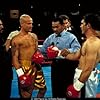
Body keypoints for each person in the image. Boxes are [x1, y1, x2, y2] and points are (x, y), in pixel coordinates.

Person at [60, 13, 100, 98]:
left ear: (88, 25)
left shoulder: (92, 43)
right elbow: (75, 56)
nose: (80, 26)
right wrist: (59, 53)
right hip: (82, 77)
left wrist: (76, 87)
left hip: (85, 78)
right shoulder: (87, 41)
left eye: (82, 23)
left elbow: (88, 69)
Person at [39, 16, 81, 97]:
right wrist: (43, 55)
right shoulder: (51, 37)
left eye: (57, 27)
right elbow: (42, 50)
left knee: (68, 90)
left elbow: (78, 49)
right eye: (53, 27)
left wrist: (69, 51)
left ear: (62, 25)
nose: (54, 29)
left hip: (68, 65)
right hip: (56, 66)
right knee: (56, 89)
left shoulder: (71, 37)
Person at [11, 14, 47, 99]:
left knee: (43, 89)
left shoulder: (34, 36)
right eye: (28, 23)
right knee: (26, 94)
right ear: (22, 24)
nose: (31, 26)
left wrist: (39, 56)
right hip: (24, 67)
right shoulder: (16, 40)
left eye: (31, 23)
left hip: (36, 65)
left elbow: (36, 51)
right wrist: (21, 74)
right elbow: (14, 58)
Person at [0, 19, 13, 98]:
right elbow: (4, 52)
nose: (2, 27)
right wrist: (9, 38)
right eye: (0, 25)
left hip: (6, 73)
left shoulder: (1, 37)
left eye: (2, 24)